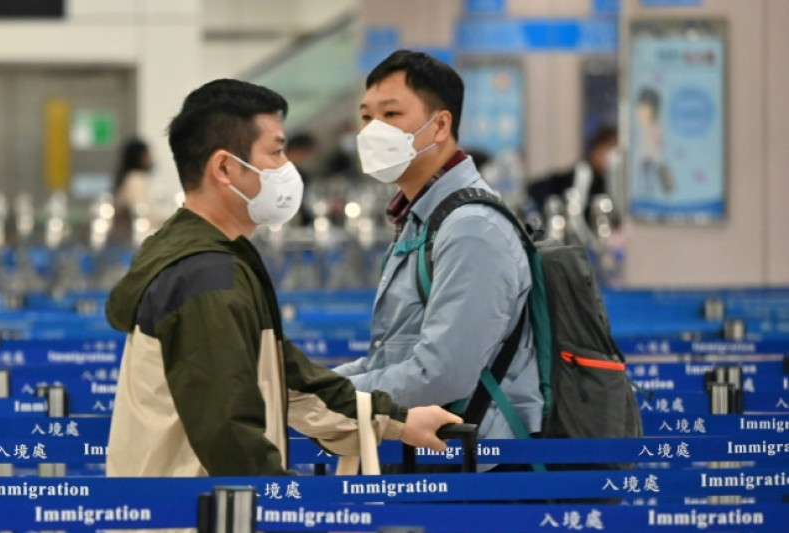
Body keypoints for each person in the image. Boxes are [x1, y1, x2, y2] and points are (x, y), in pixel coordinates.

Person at [104, 78, 461, 478]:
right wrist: (290, 509)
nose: (286, 167)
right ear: (224, 167)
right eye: (275, 152)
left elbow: (293, 382)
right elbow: (230, 437)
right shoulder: (204, 277)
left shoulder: (221, 259)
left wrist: (398, 421)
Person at [333, 50, 543, 460]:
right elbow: (393, 355)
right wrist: (314, 388)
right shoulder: (424, 219)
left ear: (440, 125)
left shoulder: (472, 229)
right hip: (436, 457)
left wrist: (330, 398)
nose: (373, 130)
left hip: (480, 471)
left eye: (391, 115)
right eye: (365, 117)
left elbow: (441, 373)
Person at [526, 125, 619, 226]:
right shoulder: (584, 174)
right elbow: (576, 214)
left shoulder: (605, 180)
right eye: (610, 148)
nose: (613, 157)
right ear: (598, 149)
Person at [111, 138, 155, 244]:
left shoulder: (128, 179)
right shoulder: (135, 180)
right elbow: (142, 212)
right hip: (135, 242)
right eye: (147, 155)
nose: (151, 159)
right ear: (139, 157)